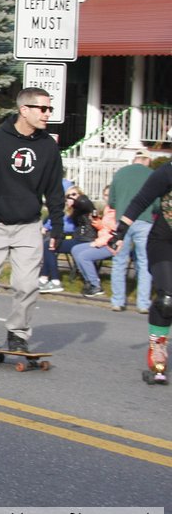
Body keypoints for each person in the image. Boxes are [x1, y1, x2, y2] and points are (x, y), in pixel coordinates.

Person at [0, 87, 64, 372]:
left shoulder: (48, 146)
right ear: (24, 109)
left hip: (29, 225)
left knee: (28, 285)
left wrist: (57, 226)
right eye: (42, 109)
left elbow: (55, 190)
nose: (47, 114)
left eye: (49, 109)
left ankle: (18, 333)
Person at [111, 159, 172, 380]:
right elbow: (141, 200)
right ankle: (157, 347)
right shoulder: (167, 172)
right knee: (167, 298)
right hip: (164, 243)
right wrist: (120, 232)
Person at [108, 151, 155, 313]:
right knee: (144, 262)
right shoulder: (151, 174)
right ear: (148, 160)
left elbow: (112, 201)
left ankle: (117, 301)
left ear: (134, 159)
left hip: (122, 221)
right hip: (145, 221)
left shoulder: (120, 173)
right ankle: (143, 303)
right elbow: (157, 204)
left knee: (119, 260)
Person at [38, 184, 95, 293]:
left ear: (80, 195)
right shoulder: (69, 210)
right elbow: (58, 221)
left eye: (74, 195)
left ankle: (54, 281)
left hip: (83, 240)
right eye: (68, 196)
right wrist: (46, 227)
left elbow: (69, 226)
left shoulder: (83, 207)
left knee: (50, 244)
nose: (71, 198)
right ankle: (44, 278)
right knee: (49, 244)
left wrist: (75, 202)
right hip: (75, 238)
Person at [70, 188, 116, 298]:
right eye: (105, 195)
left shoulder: (117, 211)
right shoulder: (107, 209)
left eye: (109, 195)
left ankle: (96, 286)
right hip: (103, 240)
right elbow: (104, 228)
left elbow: (114, 233)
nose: (107, 198)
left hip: (111, 245)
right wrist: (97, 222)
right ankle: (89, 281)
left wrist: (98, 243)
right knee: (76, 249)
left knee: (84, 256)